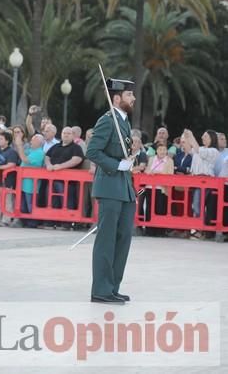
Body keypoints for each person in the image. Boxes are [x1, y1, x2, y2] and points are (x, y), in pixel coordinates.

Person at [87, 78, 136, 305]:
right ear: (116, 98)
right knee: (107, 240)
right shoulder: (107, 121)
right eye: (129, 95)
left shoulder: (124, 122)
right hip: (109, 186)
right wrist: (116, 165)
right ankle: (101, 289)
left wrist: (131, 160)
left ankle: (113, 286)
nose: (133, 98)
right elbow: (93, 152)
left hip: (124, 187)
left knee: (123, 237)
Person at [44, 126, 84, 228]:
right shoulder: (56, 146)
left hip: (67, 181)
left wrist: (61, 167)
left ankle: (66, 223)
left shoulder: (76, 148)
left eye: (68, 133)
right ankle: (52, 221)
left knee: (66, 201)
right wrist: (48, 164)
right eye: (64, 133)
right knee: (52, 200)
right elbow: (47, 156)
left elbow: (77, 159)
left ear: (73, 136)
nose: (65, 135)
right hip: (52, 178)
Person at [185, 129, 219, 228]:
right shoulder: (200, 148)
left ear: (212, 139)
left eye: (205, 136)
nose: (202, 138)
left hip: (205, 180)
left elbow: (199, 151)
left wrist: (191, 136)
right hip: (196, 180)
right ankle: (199, 227)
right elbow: (188, 149)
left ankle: (201, 227)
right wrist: (186, 137)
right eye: (203, 136)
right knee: (196, 205)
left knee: (197, 204)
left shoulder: (213, 151)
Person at [0, 130, 20, 226]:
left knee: (6, 200)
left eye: (1, 139)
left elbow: (12, 164)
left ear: (7, 141)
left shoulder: (12, 152)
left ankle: (6, 219)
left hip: (7, 180)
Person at [13, 133, 45, 227]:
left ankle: (33, 223)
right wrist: (18, 144)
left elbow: (25, 159)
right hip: (23, 183)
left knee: (30, 204)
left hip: (31, 185)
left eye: (33, 139)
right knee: (23, 205)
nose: (31, 141)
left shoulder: (40, 153)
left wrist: (19, 145)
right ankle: (25, 222)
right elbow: (21, 153)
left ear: (39, 142)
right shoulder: (31, 150)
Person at [142, 143, 174, 228]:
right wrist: (149, 172)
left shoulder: (170, 161)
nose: (162, 151)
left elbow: (171, 174)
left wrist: (158, 173)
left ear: (167, 151)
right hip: (150, 187)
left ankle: (160, 230)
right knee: (149, 207)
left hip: (162, 188)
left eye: (164, 149)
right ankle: (149, 229)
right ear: (156, 151)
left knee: (160, 208)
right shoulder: (152, 159)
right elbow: (147, 170)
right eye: (160, 149)